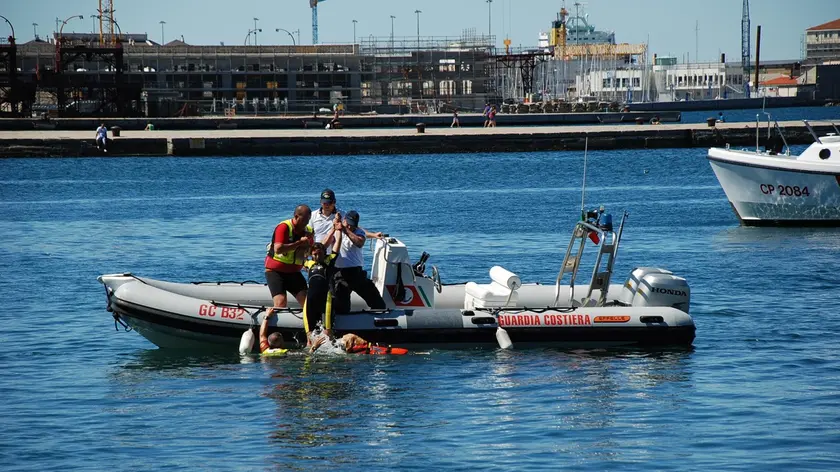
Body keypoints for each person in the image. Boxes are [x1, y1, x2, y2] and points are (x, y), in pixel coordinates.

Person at [332, 210, 387, 314]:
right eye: (347, 224)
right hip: (340, 273)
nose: (349, 227)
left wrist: (345, 230)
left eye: (352, 225)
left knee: (378, 303)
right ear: (344, 220)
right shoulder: (336, 230)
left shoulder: (358, 232)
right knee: (341, 306)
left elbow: (359, 242)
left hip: (356, 273)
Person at [264, 205, 314, 318]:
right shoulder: (284, 227)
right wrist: (299, 243)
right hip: (275, 272)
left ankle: (310, 326)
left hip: (294, 273)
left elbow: (310, 251)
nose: (306, 223)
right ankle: (275, 329)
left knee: (308, 303)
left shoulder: (309, 231)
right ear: (296, 216)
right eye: (304, 220)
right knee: (281, 303)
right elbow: (278, 249)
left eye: (308, 220)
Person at [309, 189, 383, 251]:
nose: (327, 205)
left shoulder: (342, 214)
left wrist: (373, 235)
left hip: (335, 255)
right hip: (318, 254)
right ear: (320, 202)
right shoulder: (313, 216)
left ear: (334, 202)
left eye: (329, 202)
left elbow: (355, 228)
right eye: (324, 203)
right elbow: (308, 236)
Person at [302, 235, 340, 341]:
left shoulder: (328, 261)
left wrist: (339, 231)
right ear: (312, 254)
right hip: (310, 299)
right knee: (308, 333)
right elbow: (303, 255)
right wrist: (305, 241)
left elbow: (336, 248)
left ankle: (331, 348)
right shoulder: (309, 263)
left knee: (327, 331)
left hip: (325, 298)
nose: (317, 257)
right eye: (315, 254)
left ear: (324, 253)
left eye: (320, 254)